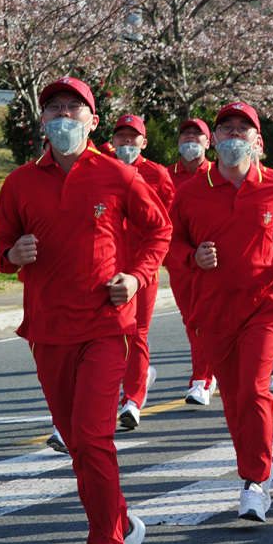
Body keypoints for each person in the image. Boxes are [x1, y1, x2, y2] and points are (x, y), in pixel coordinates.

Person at [0, 77, 171, 544]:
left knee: (94, 437)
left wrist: (135, 277)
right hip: (47, 328)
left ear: (93, 122)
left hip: (104, 326)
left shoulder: (117, 175)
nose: (63, 117)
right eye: (54, 109)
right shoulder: (21, 182)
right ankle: (124, 523)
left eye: (74, 109)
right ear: (41, 121)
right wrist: (11, 255)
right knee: (77, 445)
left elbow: (158, 229)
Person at [170, 102, 273, 522]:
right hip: (214, 310)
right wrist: (193, 257)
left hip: (264, 307)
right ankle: (255, 461)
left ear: (256, 141)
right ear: (216, 137)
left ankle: (255, 481)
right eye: (225, 128)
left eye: (242, 129)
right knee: (234, 400)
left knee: (255, 390)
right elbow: (170, 245)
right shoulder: (190, 191)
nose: (233, 136)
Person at [108, 114, 175, 429]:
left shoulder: (157, 175)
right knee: (108, 336)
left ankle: (132, 401)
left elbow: (167, 224)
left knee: (137, 333)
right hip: (107, 267)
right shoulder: (101, 169)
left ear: (143, 143)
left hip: (143, 269)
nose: (126, 142)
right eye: (121, 136)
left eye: (132, 137)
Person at [168, 118, 217, 407]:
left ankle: (202, 380)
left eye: (197, 135)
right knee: (192, 321)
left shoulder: (217, 173)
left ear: (208, 142)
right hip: (179, 261)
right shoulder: (165, 176)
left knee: (207, 320)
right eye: (185, 134)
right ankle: (209, 372)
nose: (190, 139)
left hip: (214, 261)